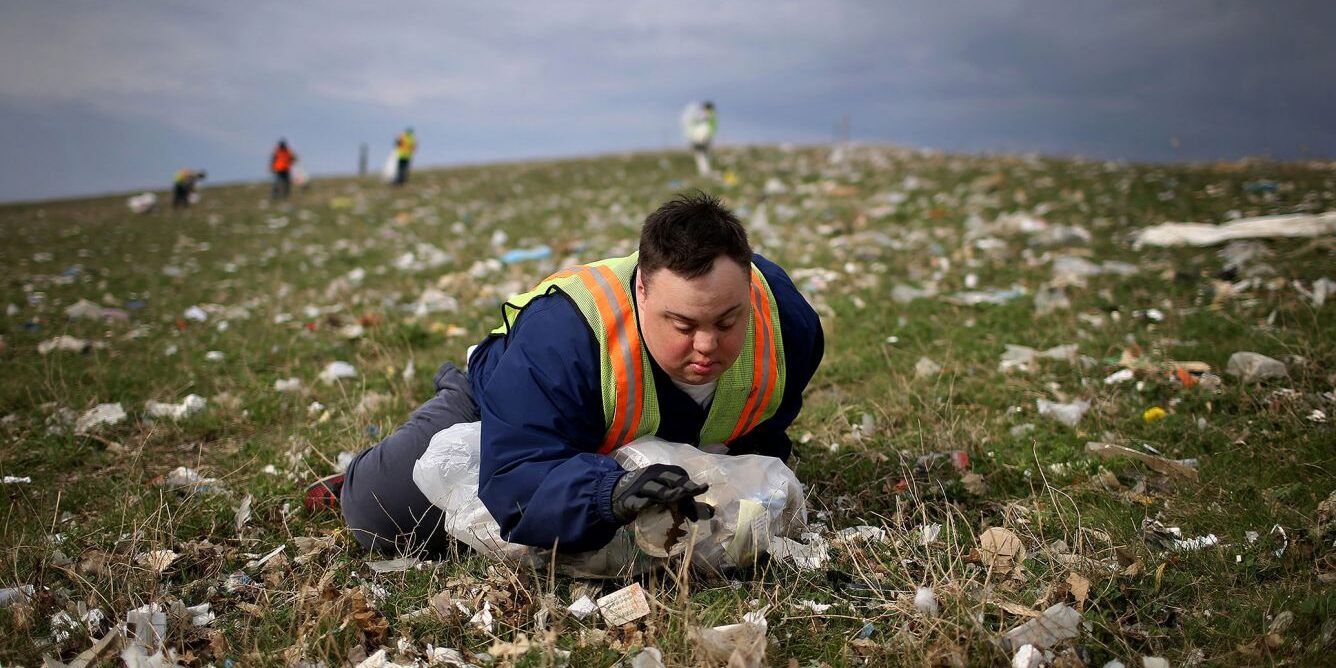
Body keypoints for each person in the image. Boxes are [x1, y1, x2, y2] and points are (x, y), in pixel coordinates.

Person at [307, 192, 824, 557]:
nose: (708, 345)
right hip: (511, 410)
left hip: (636, 436)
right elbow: (517, 474)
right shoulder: (560, 337)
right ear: (641, 292)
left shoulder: (787, 324)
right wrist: (608, 495)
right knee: (380, 516)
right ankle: (384, 452)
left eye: (727, 321)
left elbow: (765, 424)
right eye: (683, 325)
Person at [682, 101, 717, 177]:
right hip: (704, 138)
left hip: (701, 138)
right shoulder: (710, 116)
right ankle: (705, 171)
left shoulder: (706, 116)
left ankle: (705, 172)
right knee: (703, 155)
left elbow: (694, 125)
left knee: (701, 155)